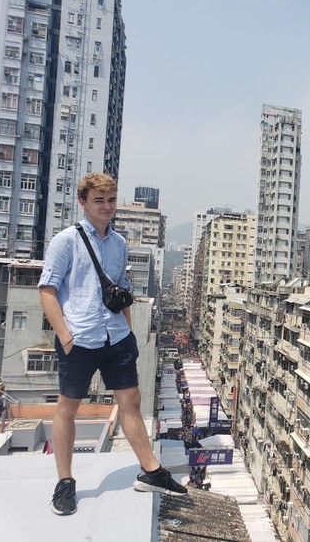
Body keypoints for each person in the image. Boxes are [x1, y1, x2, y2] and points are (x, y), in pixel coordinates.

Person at [39, 173, 186, 516]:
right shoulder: (66, 241)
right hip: (80, 336)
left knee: (131, 401)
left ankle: (151, 471)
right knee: (68, 408)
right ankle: (65, 481)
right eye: (98, 201)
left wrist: (129, 333)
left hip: (116, 336)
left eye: (110, 200)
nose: (106, 207)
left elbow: (121, 293)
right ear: (83, 203)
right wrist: (65, 335)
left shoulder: (119, 243)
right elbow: (47, 291)